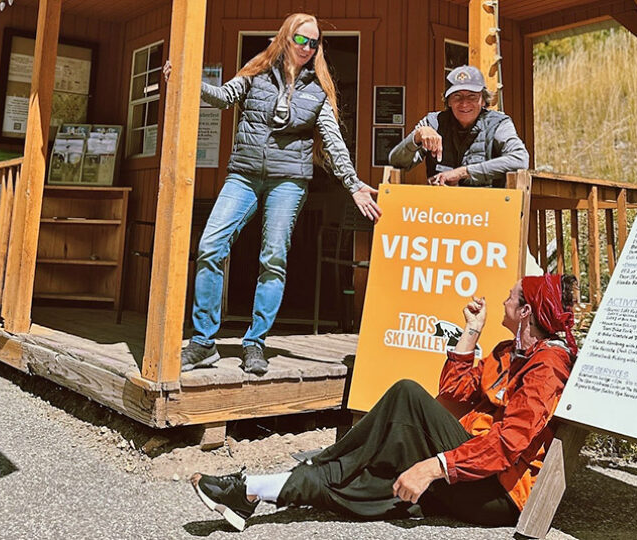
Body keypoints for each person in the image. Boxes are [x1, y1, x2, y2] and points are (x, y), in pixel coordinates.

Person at [189, 273, 579, 531]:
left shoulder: (548, 366)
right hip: (471, 465)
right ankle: (254, 490)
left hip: (497, 493)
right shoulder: (510, 351)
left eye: (511, 297)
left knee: (406, 395)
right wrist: (471, 332)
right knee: (370, 478)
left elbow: (510, 443)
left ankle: (313, 465)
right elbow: (455, 390)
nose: (503, 299)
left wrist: (433, 467)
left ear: (526, 311)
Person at [174, 13, 381, 375]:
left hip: (289, 180)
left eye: (314, 43)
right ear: (286, 38)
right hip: (244, 174)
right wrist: (189, 81)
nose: (308, 48)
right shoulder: (255, 72)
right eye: (302, 40)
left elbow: (332, 143)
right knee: (210, 247)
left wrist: (353, 184)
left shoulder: (317, 91)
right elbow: (223, 97)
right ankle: (203, 342)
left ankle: (255, 343)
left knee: (273, 257)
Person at [388, 65, 542, 276]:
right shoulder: (433, 123)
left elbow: (519, 158)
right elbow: (396, 161)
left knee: (530, 276)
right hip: (441, 222)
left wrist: (462, 172)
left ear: (483, 99)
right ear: (448, 101)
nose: (464, 103)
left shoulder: (498, 123)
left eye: (472, 96)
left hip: (490, 222)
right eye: (457, 96)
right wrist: (416, 137)